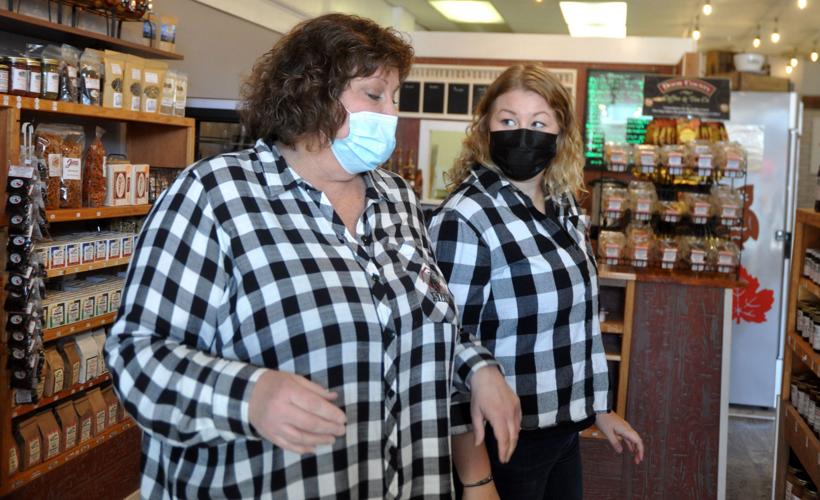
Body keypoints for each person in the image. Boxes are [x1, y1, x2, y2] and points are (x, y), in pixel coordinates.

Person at [104, 13, 520, 499]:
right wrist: (248, 396)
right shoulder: (215, 195)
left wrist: (476, 367)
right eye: (374, 95)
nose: (392, 114)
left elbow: (416, 316)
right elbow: (136, 354)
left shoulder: (398, 199)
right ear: (313, 94)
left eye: (396, 97)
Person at [427, 64, 644, 500]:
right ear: (485, 129)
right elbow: (445, 350)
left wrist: (596, 409)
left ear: (561, 133)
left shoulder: (562, 206)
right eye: (508, 121)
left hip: (561, 434)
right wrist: (477, 479)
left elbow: (572, 326)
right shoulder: (465, 217)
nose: (523, 134)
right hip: (501, 444)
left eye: (539, 123)